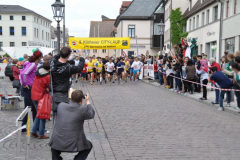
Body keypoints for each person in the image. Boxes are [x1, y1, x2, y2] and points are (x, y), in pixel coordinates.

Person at [49, 91, 94, 160]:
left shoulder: (61, 105)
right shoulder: (83, 109)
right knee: (88, 146)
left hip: (58, 140)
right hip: (74, 142)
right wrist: (88, 101)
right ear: (82, 100)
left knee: (54, 149)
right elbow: (91, 114)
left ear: (71, 98)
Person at [50, 47, 85, 123]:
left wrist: (64, 52)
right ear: (68, 56)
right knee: (62, 117)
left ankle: (56, 133)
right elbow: (79, 68)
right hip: (63, 94)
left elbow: (55, 57)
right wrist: (81, 56)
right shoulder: (69, 67)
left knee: (55, 117)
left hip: (53, 92)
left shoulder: (52, 62)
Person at [20, 51, 43, 132]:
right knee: (34, 107)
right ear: (39, 57)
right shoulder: (33, 64)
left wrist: (23, 83)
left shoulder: (29, 63)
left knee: (27, 107)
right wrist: (24, 83)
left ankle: (24, 126)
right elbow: (23, 74)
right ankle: (36, 128)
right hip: (30, 87)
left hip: (28, 87)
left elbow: (21, 72)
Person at [31, 61, 50, 139]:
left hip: (34, 95)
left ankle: (34, 131)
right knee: (42, 115)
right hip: (41, 96)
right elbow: (49, 87)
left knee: (38, 114)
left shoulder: (38, 73)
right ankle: (41, 134)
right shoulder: (47, 76)